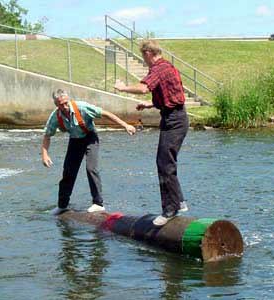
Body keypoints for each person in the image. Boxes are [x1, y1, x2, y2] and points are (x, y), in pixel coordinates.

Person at [114, 39, 189, 226]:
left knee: (164, 162)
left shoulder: (158, 69)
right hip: (174, 117)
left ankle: (170, 209)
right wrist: (150, 103)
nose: (144, 60)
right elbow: (172, 95)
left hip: (174, 120)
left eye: (143, 56)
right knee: (166, 161)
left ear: (148, 53)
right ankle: (178, 202)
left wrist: (123, 88)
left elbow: (143, 88)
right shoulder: (167, 67)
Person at [42, 89, 136, 215]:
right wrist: (45, 154)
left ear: (69, 100)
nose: (64, 106)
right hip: (75, 140)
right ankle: (62, 206)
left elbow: (105, 113)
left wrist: (125, 125)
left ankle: (98, 203)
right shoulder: (55, 116)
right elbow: (47, 135)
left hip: (90, 137)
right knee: (68, 172)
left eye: (66, 103)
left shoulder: (83, 107)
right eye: (60, 104)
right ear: (56, 105)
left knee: (91, 168)